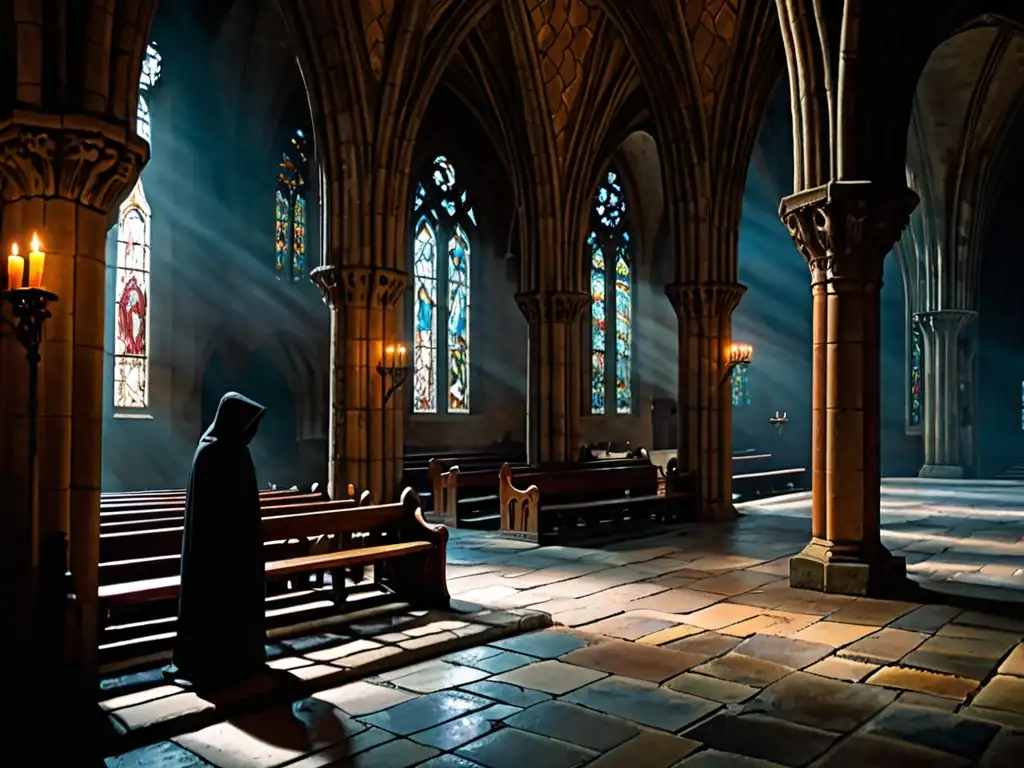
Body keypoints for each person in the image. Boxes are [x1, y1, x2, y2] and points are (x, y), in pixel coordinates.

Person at [168, 391, 267, 686]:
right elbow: (209, 513)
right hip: (214, 552)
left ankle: (240, 657)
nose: (251, 431)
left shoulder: (236, 451)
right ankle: (215, 661)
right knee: (215, 606)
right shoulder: (210, 453)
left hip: (238, 549)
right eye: (247, 424)